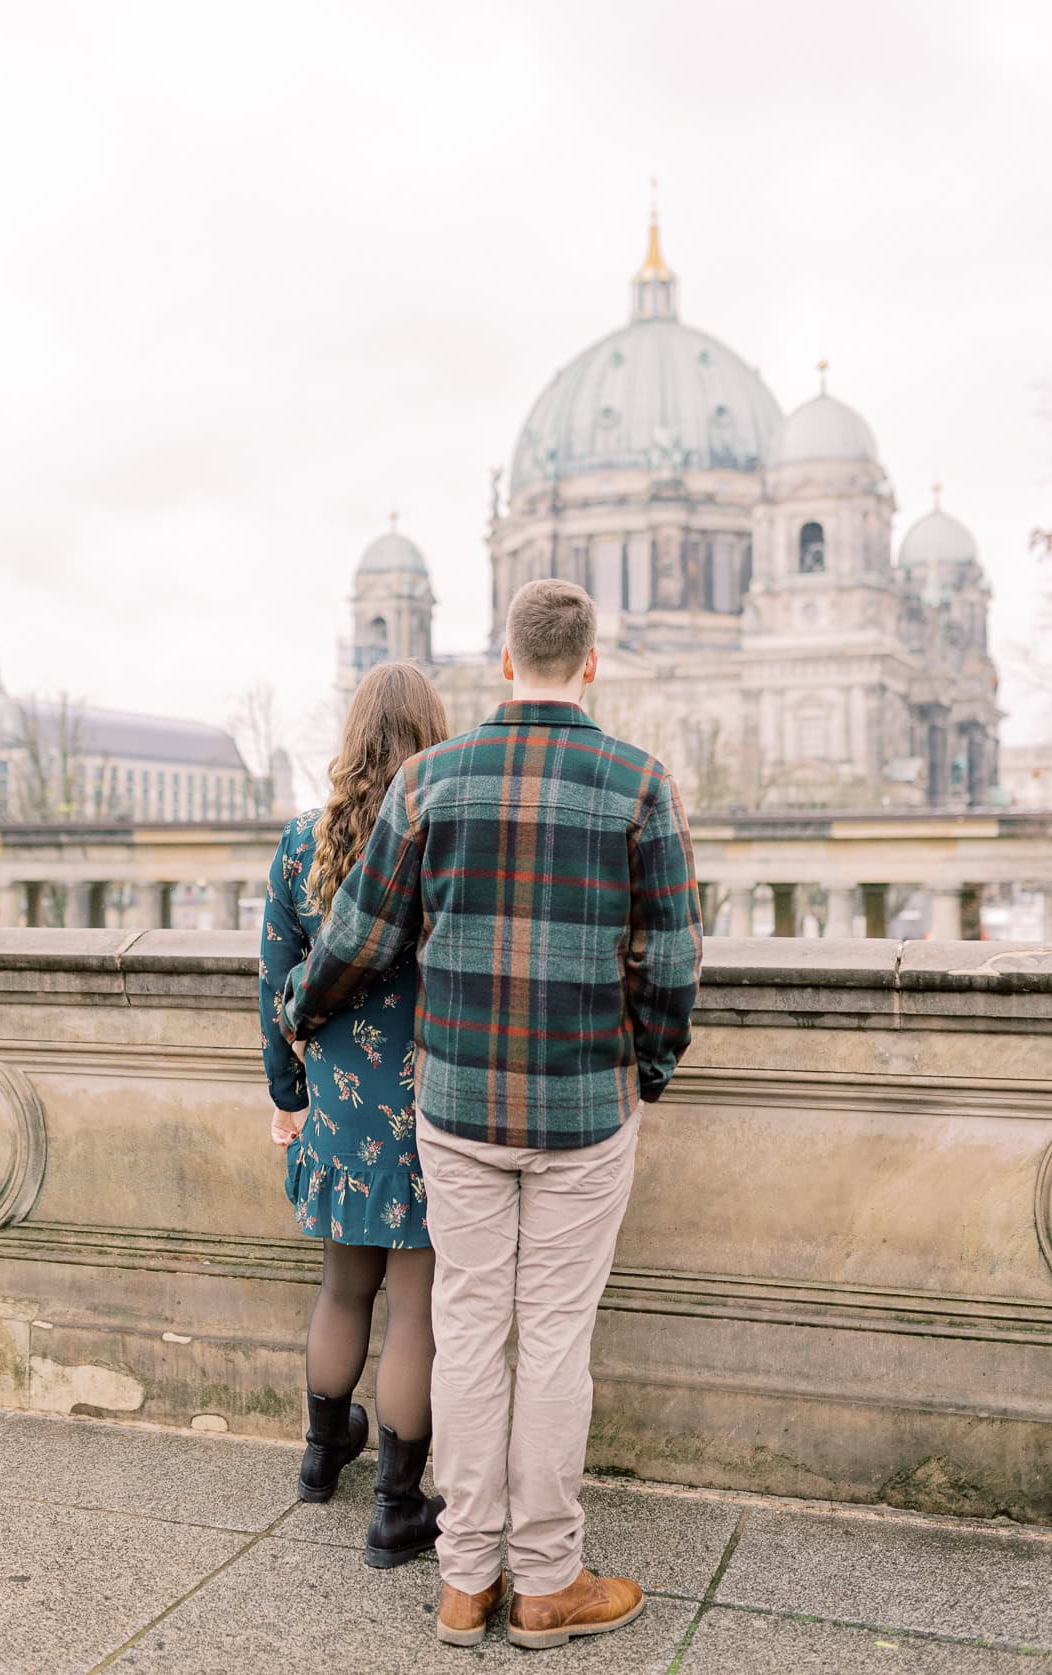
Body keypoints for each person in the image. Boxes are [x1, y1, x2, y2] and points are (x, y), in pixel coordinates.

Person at [280, 578, 702, 1650]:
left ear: (505, 663)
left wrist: (300, 1012)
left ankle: (465, 1581)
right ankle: (548, 1580)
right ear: (591, 662)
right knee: (554, 1342)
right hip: (581, 1110)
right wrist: (643, 1070)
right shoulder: (641, 786)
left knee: (467, 1332)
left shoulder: (432, 781)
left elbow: (360, 940)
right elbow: (673, 964)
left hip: (459, 1110)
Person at [258, 659, 449, 1569]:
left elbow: (273, 984)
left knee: (343, 1288)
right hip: (425, 1108)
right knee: (415, 1308)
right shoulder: (444, 837)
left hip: (336, 1110)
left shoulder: (303, 842)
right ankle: (396, 1508)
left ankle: (320, 1455)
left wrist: (287, 1097)